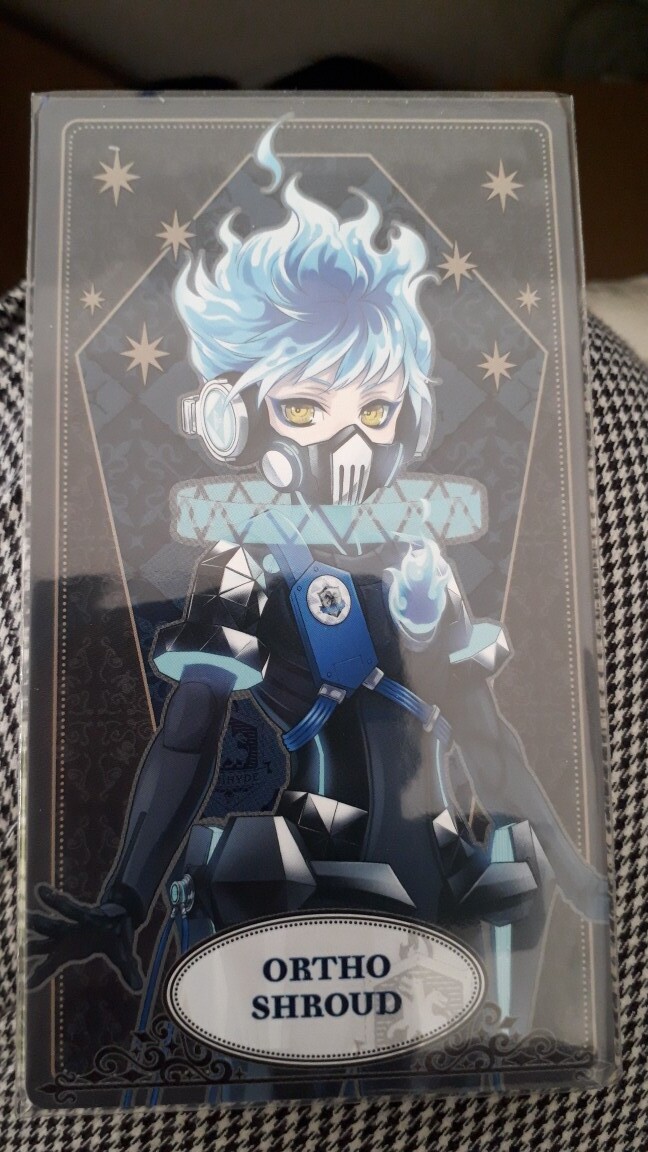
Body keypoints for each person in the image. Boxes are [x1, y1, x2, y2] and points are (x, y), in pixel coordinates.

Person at [29, 125, 606, 1026]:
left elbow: (490, 745)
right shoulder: (250, 561)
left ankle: (507, 1051)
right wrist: (125, 901)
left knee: (514, 870)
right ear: (237, 417)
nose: (348, 442)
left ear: (407, 416)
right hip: (315, 860)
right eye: (306, 408)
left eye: (375, 410)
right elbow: (185, 743)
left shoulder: (420, 563)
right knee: (247, 865)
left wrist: (575, 873)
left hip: (442, 864)